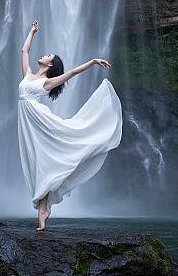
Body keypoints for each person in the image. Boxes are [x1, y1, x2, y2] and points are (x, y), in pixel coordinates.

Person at [18, 19, 123, 231]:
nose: (45, 54)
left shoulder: (46, 82)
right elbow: (24, 50)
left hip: (41, 122)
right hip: (27, 124)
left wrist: (93, 61)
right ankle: (43, 208)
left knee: (44, 160)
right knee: (36, 161)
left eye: (48, 56)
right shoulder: (28, 75)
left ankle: (42, 208)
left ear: (50, 65)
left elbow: (72, 73)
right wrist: (32, 32)